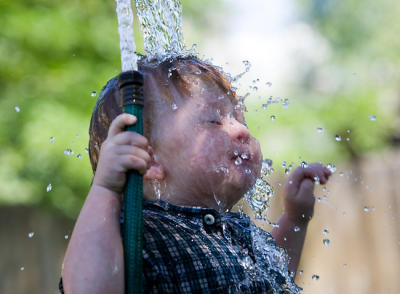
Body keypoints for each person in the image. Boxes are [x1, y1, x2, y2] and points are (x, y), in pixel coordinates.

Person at [59, 56, 331, 293]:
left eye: (239, 119)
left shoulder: (238, 230)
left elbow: (277, 283)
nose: (241, 131)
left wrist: (295, 219)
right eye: (214, 121)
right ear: (148, 157)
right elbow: (88, 288)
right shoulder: (139, 232)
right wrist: (105, 189)